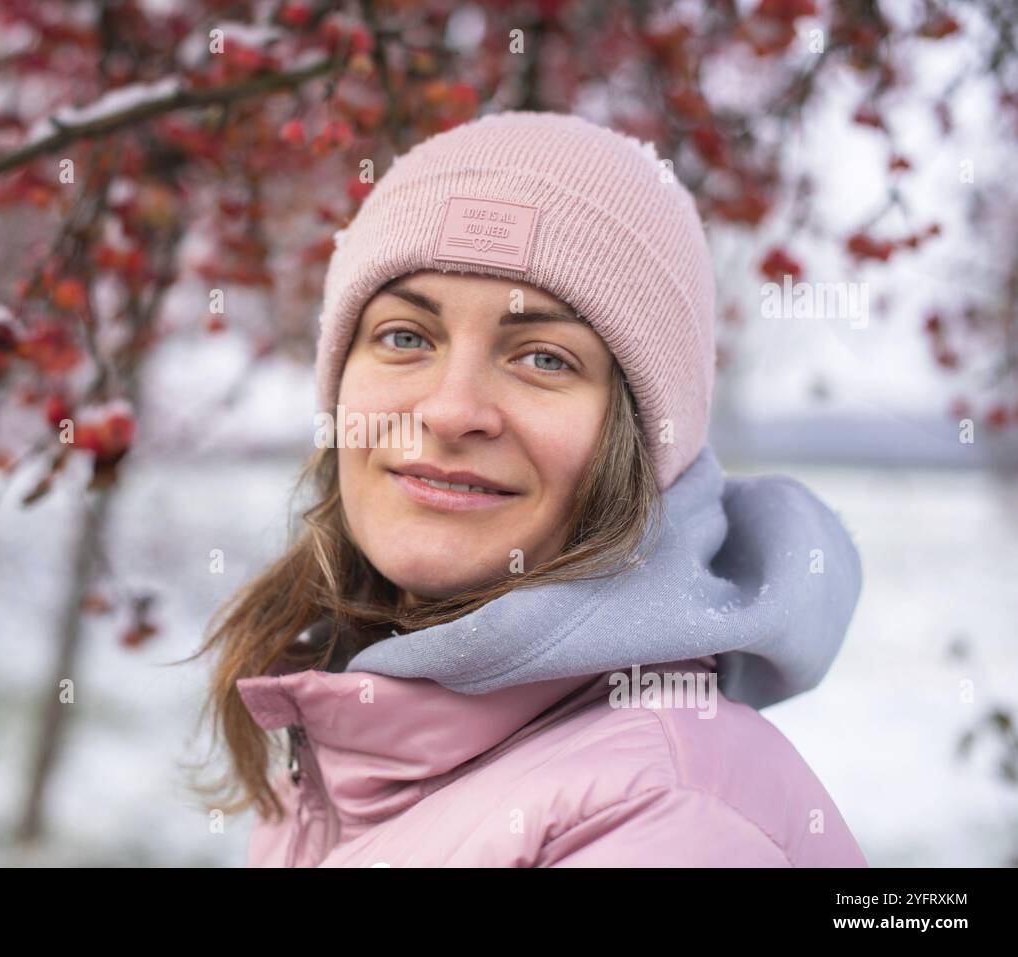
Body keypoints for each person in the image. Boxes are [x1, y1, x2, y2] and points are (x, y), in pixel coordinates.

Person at [189, 110, 867, 867]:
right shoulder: (344, 737)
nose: (450, 411)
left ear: (640, 440)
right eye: (406, 337)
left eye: (543, 357)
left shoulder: (667, 818)